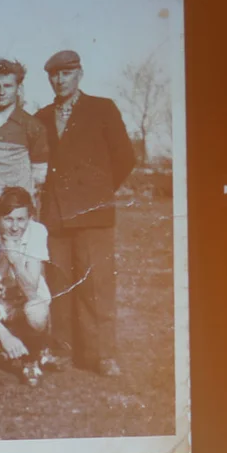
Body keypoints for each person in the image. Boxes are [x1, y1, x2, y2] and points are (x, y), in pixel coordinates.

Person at [35, 50, 136, 377]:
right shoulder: (42, 116)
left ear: (80, 74)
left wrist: (99, 192)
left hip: (93, 214)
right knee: (60, 285)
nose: (60, 80)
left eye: (66, 73)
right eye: (54, 75)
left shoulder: (102, 108)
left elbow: (125, 157)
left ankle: (103, 354)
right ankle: (63, 352)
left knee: (97, 286)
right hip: (56, 217)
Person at [0, 186, 63, 386]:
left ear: (30, 218)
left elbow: (31, 290)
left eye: (21, 219)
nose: (15, 227)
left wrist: (15, 258)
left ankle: (31, 358)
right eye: (8, 219)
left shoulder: (37, 231)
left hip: (24, 296)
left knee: (36, 310)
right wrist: (4, 336)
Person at [0, 58, 49, 230]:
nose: (1, 92)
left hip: (17, 214)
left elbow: (39, 177)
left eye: (7, 86)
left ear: (18, 88)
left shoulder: (32, 126)